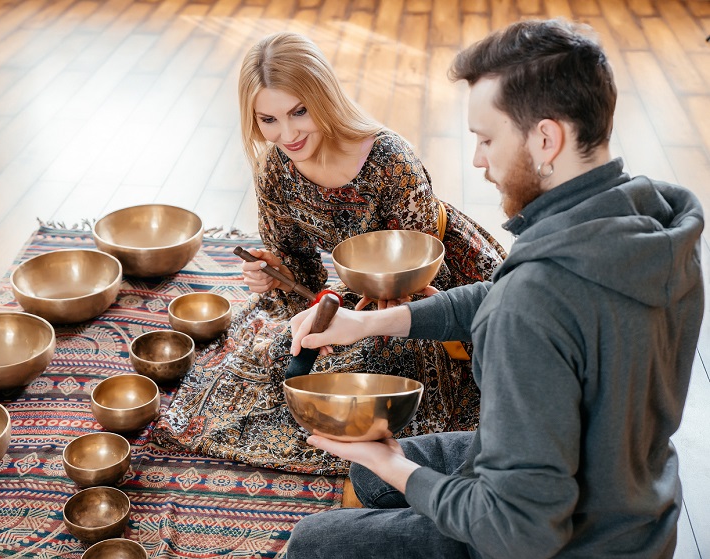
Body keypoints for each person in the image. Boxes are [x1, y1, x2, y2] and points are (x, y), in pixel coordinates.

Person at [286, 18, 704, 558]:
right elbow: (508, 295)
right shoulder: (652, 227)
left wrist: (396, 466)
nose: (479, 160)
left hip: (559, 543)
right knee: (369, 478)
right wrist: (368, 321)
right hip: (633, 505)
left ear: (546, 138)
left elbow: (518, 533)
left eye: (486, 139)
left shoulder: (532, 304)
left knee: (313, 543)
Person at [152, 32, 506, 474]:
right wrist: (273, 275)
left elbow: (411, 271)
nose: (287, 134)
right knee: (272, 366)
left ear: (324, 96)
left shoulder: (389, 158)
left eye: (299, 112)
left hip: (422, 284)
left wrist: (352, 318)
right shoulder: (276, 170)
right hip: (351, 290)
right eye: (268, 119)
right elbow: (300, 276)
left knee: (380, 383)